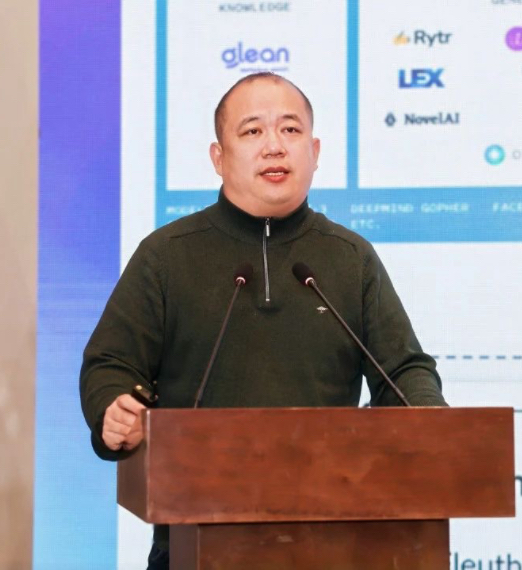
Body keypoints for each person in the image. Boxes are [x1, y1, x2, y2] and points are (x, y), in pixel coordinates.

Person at [79, 72, 447, 569]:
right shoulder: (167, 255)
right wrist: (113, 408)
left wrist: (428, 420)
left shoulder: (349, 258)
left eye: (290, 130)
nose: (274, 145)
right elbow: (111, 364)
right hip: (193, 542)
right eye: (253, 130)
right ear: (218, 157)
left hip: (331, 544)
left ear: (314, 151)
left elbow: (402, 370)